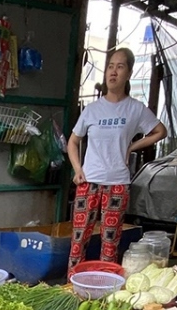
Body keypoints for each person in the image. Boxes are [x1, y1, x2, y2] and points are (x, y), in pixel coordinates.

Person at [66, 47, 167, 272]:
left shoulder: (135, 109)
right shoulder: (92, 110)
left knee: (110, 244)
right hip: (88, 182)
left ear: (128, 73)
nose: (113, 72)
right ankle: (71, 290)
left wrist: (132, 146)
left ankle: (104, 292)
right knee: (78, 240)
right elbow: (72, 142)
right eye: (110, 66)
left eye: (119, 67)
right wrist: (77, 169)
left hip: (118, 184)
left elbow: (160, 131)